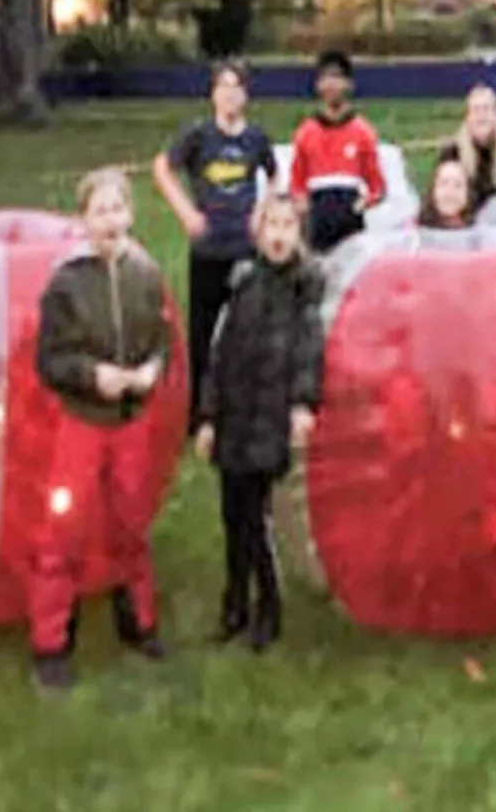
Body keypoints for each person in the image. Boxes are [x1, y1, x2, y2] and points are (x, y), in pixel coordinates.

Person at [30, 167, 171, 690]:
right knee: (65, 530)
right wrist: (93, 376)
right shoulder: (66, 284)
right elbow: (49, 359)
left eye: (118, 209)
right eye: (100, 211)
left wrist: (153, 369)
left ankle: (138, 620)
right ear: (83, 221)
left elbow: (162, 338)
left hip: (131, 424)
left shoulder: (145, 274)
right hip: (83, 425)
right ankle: (50, 642)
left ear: (130, 214)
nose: (111, 220)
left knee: (131, 521)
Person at [195, 193, 324, 652]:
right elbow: (219, 353)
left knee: (256, 520)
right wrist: (208, 417)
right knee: (232, 518)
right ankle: (234, 604)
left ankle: (269, 606)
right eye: (271, 225)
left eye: (288, 226)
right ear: (258, 231)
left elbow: (310, 353)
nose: (278, 235)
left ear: (298, 234)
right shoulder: (243, 283)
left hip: (270, 419)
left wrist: (302, 406)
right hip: (234, 418)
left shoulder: (306, 288)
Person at [152, 59, 277, 435]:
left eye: (236, 87)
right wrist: (186, 212)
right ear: (213, 95)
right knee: (203, 335)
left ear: (246, 95)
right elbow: (162, 167)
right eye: (222, 87)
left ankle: (243, 407)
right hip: (208, 249)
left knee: (247, 330)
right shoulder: (199, 135)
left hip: (244, 248)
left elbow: (275, 175)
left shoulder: (255, 139)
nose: (229, 94)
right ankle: (199, 415)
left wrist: (262, 213)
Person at [289, 50, 385, 252]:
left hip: (351, 227)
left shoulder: (363, 132)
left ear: (349, 84)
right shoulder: (305, 133)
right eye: (326, 78)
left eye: (337, 77)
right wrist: (303, 208)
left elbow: (377, 187)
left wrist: (358, 206)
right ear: (318, 86)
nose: (332, 84)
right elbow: (297, 183)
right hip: (317, 228)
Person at [442, 84, 496, 208]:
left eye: (486, 109)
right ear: (467, 118)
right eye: (476, 110)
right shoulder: (452, 153)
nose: (481, 116)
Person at [419, 155, 474, 229]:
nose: (450, 191)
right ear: (432, 190)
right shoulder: (413, 231)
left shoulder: (478, 233)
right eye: (444, 183)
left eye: (458, 185)